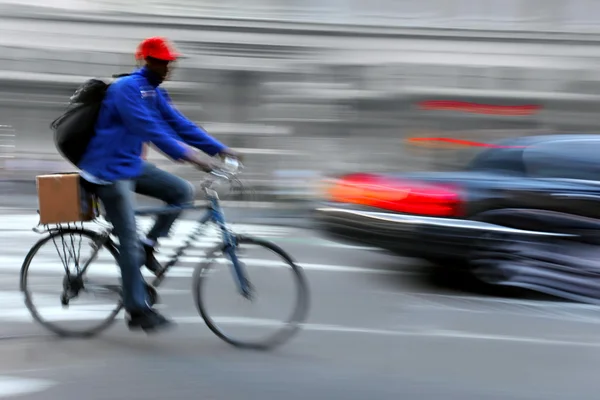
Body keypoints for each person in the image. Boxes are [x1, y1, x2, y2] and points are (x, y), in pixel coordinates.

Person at [77, 36, 239, 333]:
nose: (168, 67)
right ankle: (137, 310)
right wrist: (193, 158)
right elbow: (150, 130)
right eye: (162, 62)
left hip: (130, 165)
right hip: (107, 171)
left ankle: (149, 245)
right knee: (128, 239)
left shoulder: (154, 93)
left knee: (181, 191)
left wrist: (220, 149)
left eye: (170, 62)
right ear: (146, 60)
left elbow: (180, 125)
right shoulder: (126, 89)